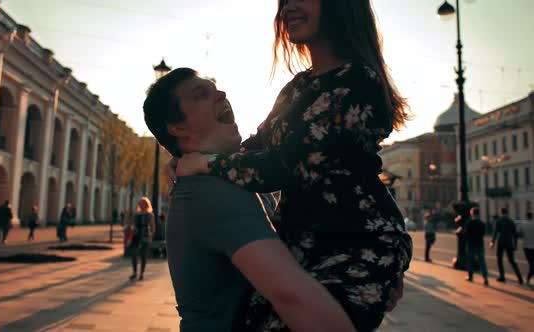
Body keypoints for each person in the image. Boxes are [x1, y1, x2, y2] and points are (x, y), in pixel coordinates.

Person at [174, 0, 412, 330]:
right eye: (284, 0)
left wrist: (207, 163)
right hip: (302, 246)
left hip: (356, 244)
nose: (288, 8)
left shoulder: (359, 82)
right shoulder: (296, 87)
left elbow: (282, 166)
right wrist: (188, 157)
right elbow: (255, 149)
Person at [144, 68, 402, 332]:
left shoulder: (225, 180)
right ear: (178, 127)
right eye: (201, 94)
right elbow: (290, 294)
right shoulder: (210, 192)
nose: (222, 93)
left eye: (216, 88)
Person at [490, 207, 523, 284]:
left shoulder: (498, 221)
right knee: (512, 260)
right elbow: (515, 234)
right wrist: (515, 245)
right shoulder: (511, 221)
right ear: (507, 213)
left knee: (499, 259)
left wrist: (492, 242)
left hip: (501, 241)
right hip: (509, 242)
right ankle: (519, 277)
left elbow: (495, 233)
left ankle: (502, 276)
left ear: (501, 212)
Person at [129, 197, 155, 281]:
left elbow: (152, 227)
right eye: (140, 203)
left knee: (143, 256)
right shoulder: (136, 214)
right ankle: (134, 272)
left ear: (147, 204)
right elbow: (132, 224)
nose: (141, 205)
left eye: (143, 203)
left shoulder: (149, 214)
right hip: (136, 236)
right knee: (134, 254)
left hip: (145, 236)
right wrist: (132, 230)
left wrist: (151, 237)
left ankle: (141, 273)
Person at [465, 208, 489, 286]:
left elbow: (466, 234)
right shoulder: (482, 223)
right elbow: (483, 233)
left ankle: (470, 276)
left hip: (471, 244)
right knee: (482, 262)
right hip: (480, 244)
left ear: (472, 214)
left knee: (470, 261)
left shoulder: (469, 223)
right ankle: (485, 278)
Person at [518, 212, 534, 285]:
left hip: (526, 246)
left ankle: (528, 278)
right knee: (532, 264)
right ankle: (528, 277)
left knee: (531, 263)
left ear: (526, 216)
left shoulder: (522, 224)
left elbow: (519, 234)